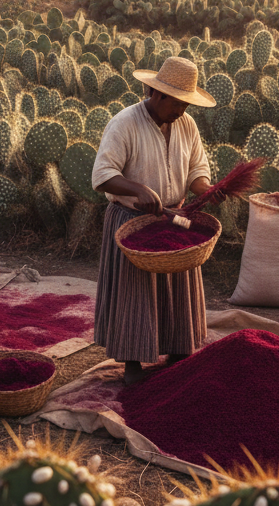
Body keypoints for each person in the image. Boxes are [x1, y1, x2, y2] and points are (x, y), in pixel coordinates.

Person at [91, 56, 216, 384]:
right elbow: (102, 176)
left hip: (174, 218)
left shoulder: (186, 125)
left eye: (187, 105)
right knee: (136, 292)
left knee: (177, 287)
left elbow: (197, 169)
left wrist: (207, 190)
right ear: (157, 94)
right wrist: (137, 189)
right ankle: (132, 362)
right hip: (132, 221)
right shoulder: (124, 123)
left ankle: (178, 350)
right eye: (178, 103)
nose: (182, 111)